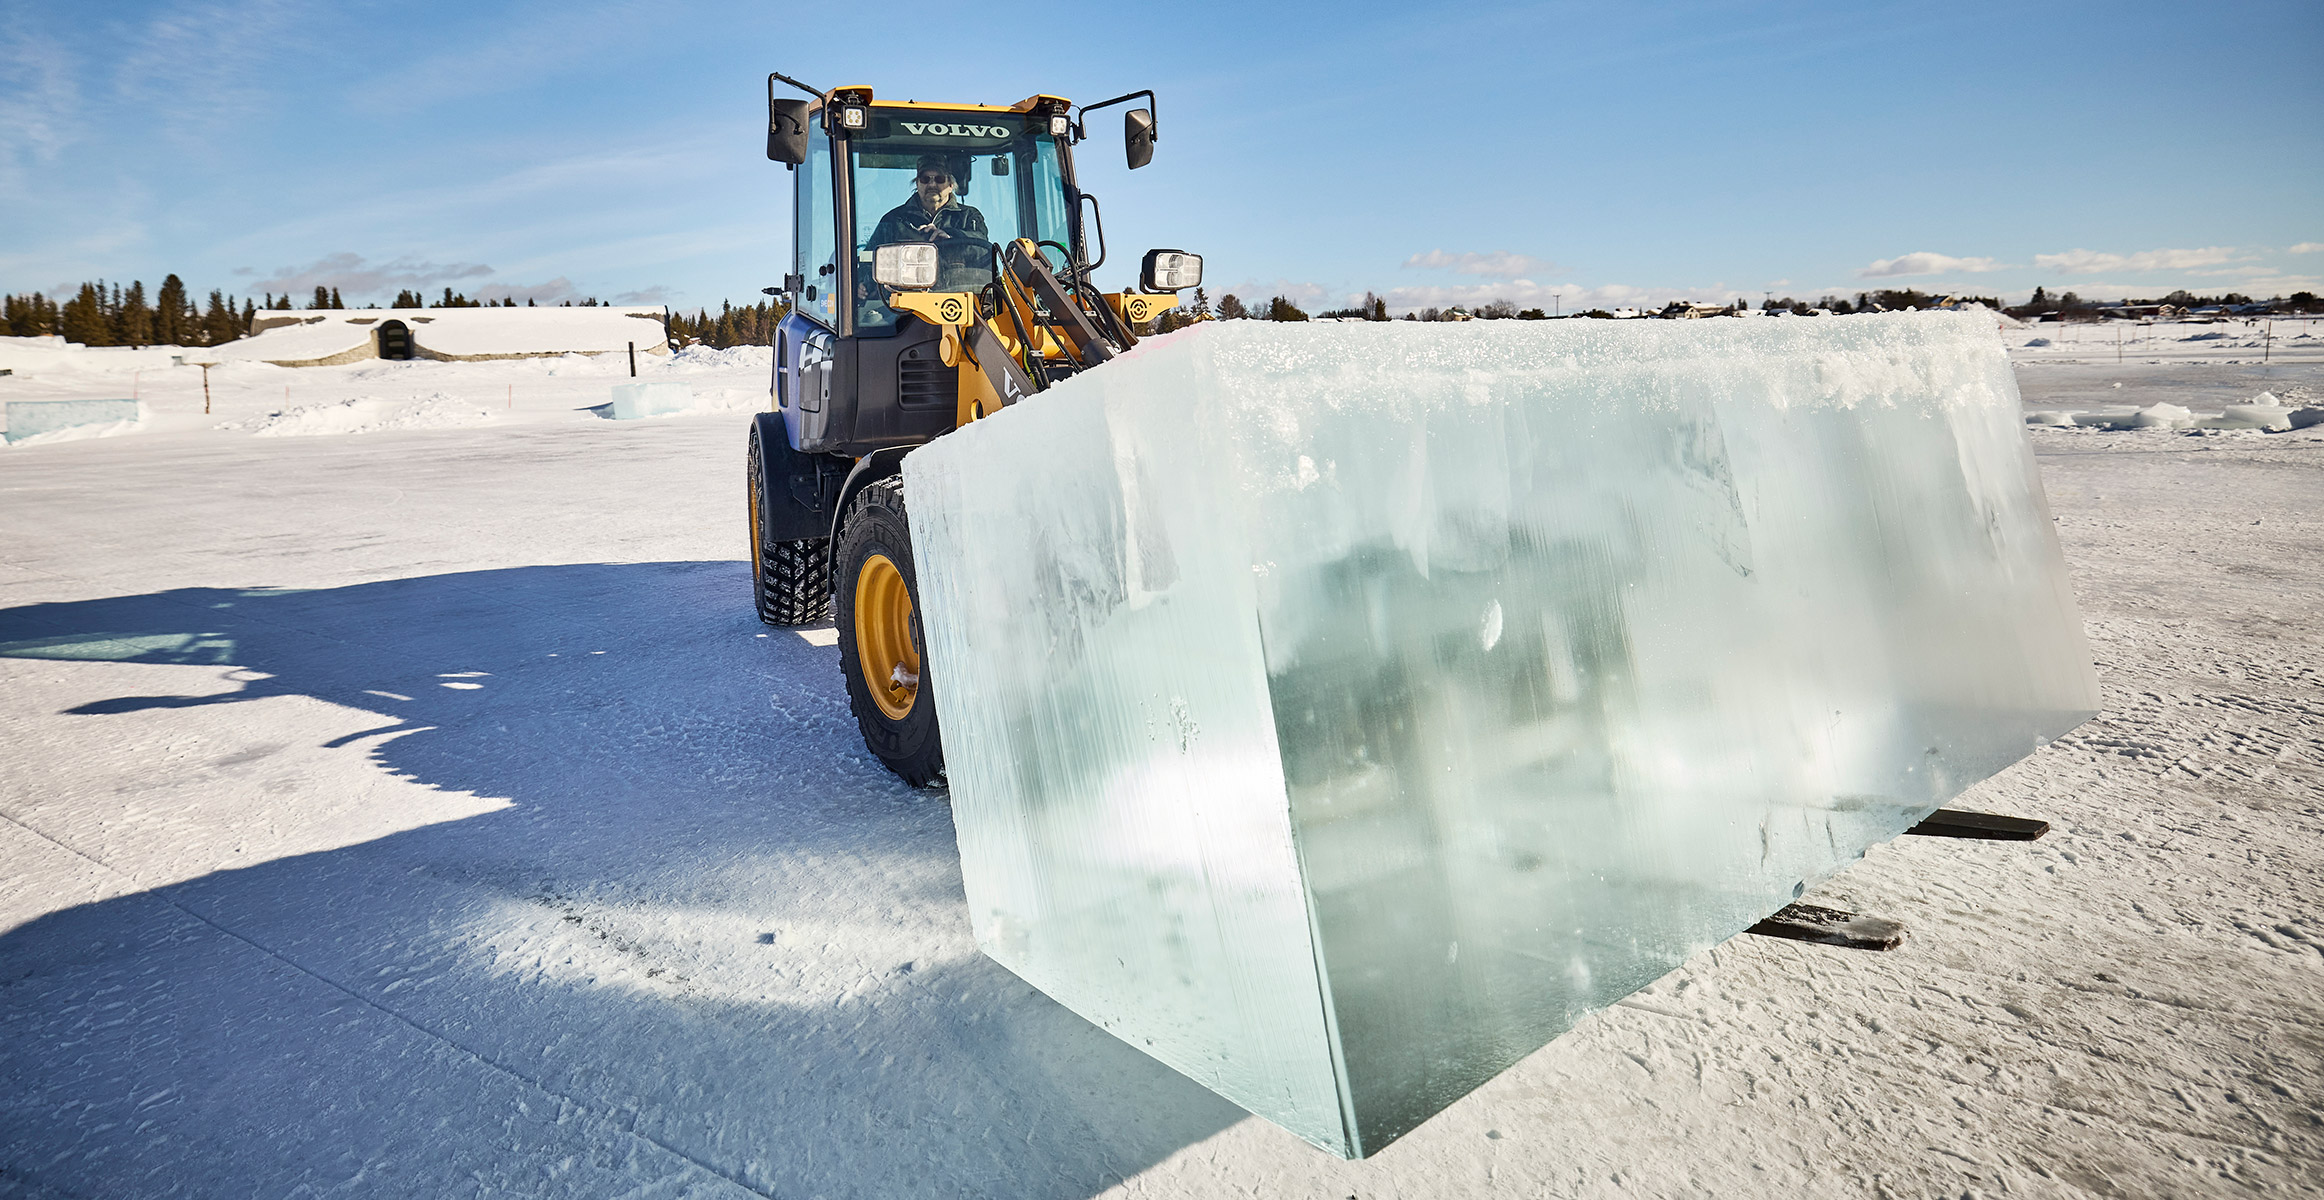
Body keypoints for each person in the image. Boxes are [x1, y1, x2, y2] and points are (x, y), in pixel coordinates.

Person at [866, 155, 994, 293]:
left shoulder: (969, 217)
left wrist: (953, 238)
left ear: (951, 185)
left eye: (939, 179)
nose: (932, 185)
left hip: (961, 301)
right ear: (917, 184)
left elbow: (984, 251)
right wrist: (863, 284)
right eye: (925, 179)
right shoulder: (894, 220)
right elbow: (870, 260)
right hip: (903, 306)